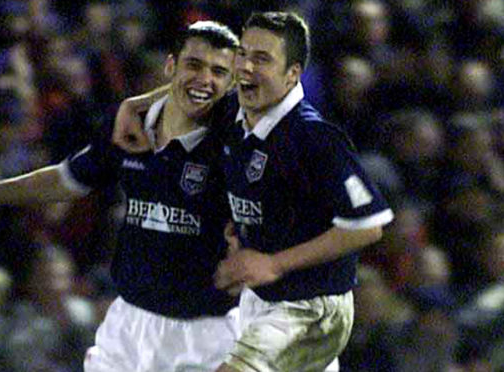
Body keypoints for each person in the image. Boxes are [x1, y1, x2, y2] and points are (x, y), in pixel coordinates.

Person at [0, 21, 241, 372]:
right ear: (171, 66)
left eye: (219, 72)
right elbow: (65, 180)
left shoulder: (239, 144)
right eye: (194, 65)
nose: (205, 79)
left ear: (232, 83)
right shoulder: (131, 129)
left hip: (205, 334)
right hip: (131, 324)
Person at [113, 11, 394, 372]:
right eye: (243, 54)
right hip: (260, 300)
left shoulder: (313, 138)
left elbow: (367, 226)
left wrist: (273, 262)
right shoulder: (237, 113)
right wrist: (135, 105)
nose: (244, 67)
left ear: (293, 73)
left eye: (261, 59)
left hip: (309, 307)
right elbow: (204, 92)